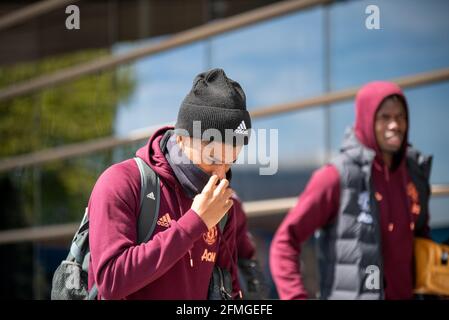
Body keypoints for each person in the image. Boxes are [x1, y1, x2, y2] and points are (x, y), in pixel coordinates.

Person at [88, 68, 257, 299]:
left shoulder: (222, 204)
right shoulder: (122, 182)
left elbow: (229, 289)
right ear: (180, 138)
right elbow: (110, 282)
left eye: (231, 162)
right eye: (213, 158)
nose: (220, 174)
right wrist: (195, 223)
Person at [270, 81, 432, 300]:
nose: (395, 124)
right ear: (367, 120)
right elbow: (284, 242)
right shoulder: (337, 175)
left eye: (401, 116)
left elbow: (423, 239)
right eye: (385, 117)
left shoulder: (413, 175)